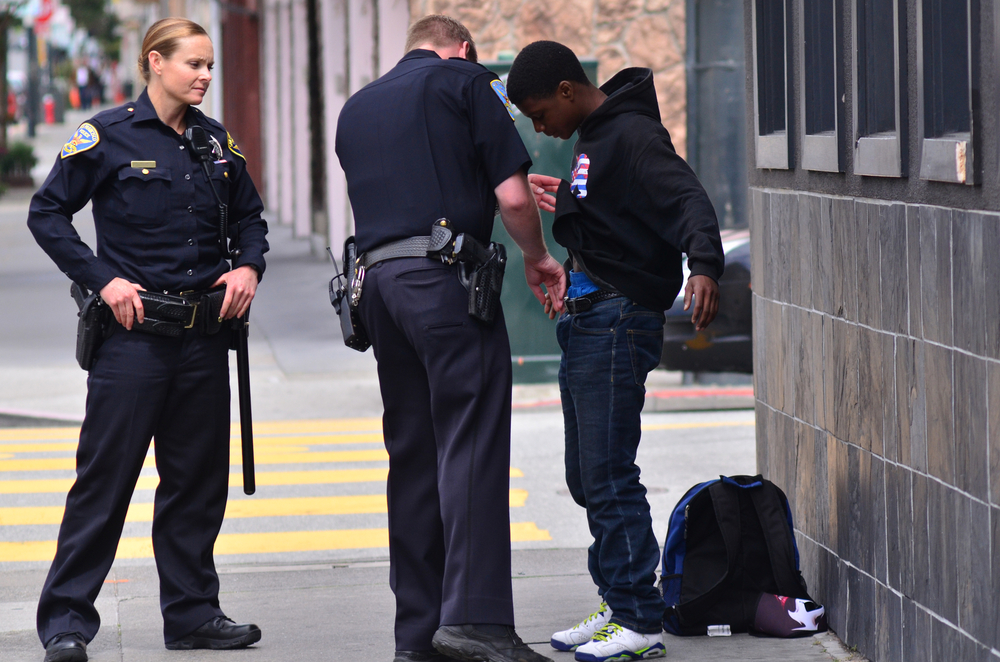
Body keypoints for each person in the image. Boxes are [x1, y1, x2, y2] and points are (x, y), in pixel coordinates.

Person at [28, 17, 268, 662]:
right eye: (194, 64)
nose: (206, 76)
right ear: (154, 62)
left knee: (195, 484)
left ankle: (192, 615)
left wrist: (247, 265)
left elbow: (250, 218)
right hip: (132, 342)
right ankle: (67, 624)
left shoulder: (215, 142)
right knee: (103, 484)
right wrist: (103, 281)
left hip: (203, 339)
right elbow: (47, 213)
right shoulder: (106, 135)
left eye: (211, 65)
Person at [335, 15, 567, 662]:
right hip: (447, 290)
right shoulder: (469, 83)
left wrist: (483, 198)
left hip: (378, 290)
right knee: (471, 444)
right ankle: (477, 620)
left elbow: (417, 190)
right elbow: (515, 200)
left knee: (413, 459)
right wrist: (539, 260)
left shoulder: (359, 106)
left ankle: (419, 637)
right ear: (462, 48)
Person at [506, 41, 725, 662]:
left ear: (569, 91)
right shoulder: (594, 138)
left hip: (616, 317)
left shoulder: (630, 136)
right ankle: (617, 597)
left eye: (539, 111)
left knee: (608, 472)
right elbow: (610, 214)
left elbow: (688, 199)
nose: (538, 125)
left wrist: (704, 265)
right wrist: (571, 200)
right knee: (585, 475)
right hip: (586, 317)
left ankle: (637, 618)